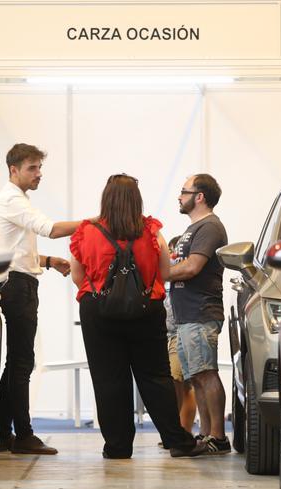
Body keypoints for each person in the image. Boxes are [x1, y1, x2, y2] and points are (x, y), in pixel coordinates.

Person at [69, 174, 202, 459]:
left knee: (108, 379)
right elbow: (165, 272)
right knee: (155, 377)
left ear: (106, 198)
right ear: (136, 200)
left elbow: (77, 276)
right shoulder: (151, 230)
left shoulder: (86, 231)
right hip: (146, 311)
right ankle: (176, 440)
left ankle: (117, 446)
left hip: (98, 313)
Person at [0, 143, 82, 455]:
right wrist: (95, 222)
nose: (38, 174)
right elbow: (51, 229)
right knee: (22, 363)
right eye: (32, 168)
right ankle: (23, 435)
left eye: (39, 168)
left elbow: (13, 252)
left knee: (15, 363)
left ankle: (3, 435)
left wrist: (49, 261)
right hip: (17, 288)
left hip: (18, 282)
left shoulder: (16, 200)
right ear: (13, 170)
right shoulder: (12, 199)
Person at [166, 173, 230, 455]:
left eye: (184, 191)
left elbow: (192, 267)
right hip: (186, 316)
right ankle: (206, 435)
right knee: (197, 377)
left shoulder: (210, 227)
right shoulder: (193, 229)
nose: (179, 196)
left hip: (200, 311)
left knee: (206, 374)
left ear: (199, 196)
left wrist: (157, 274)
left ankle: (218, 436)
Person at [166, 235, 197, 434]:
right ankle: (180, 430)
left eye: (174, 251)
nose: (170, 255)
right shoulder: (168, 279)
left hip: (180, 332)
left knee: (179, 382)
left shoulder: (185, 278)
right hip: (168, 335)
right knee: (180, 384)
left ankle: (181, 431)